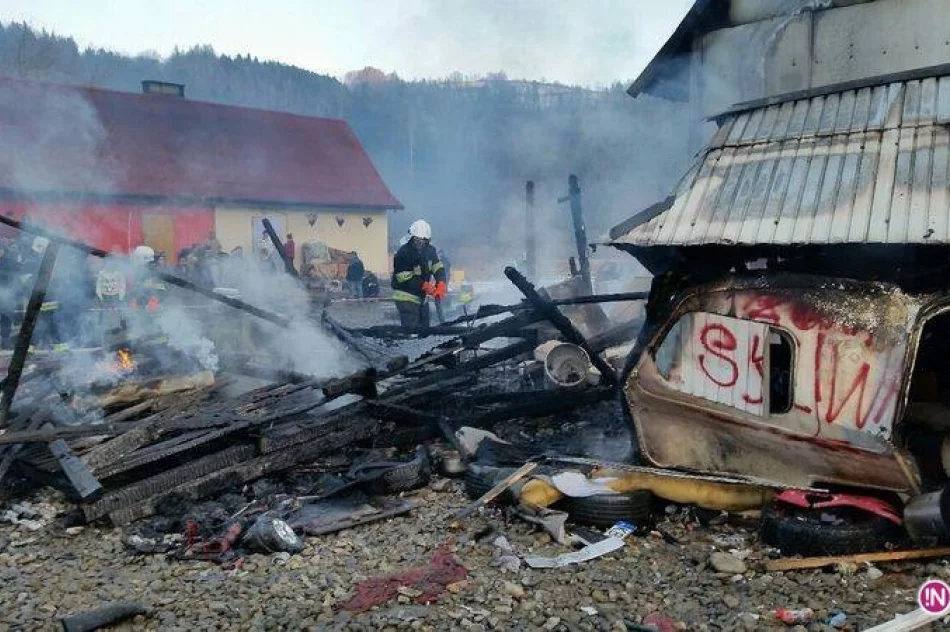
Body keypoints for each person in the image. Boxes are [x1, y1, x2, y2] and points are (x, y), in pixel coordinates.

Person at [391, 219, 446, 328]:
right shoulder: (403, 253)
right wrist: (425, 286)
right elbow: (403, 278)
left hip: (422, 298)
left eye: (423, 241)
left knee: (425, 329)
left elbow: (438, 267)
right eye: (417, 240)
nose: (420, 244)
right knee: (412, 331)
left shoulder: (430, 251)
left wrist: (441, 283)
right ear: (411, 238)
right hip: (405, 297)